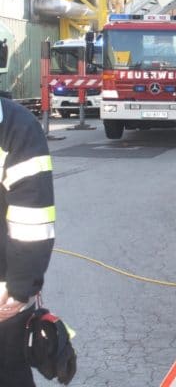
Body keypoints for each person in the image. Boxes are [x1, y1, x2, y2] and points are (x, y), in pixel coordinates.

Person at [0, 98, 56, 386]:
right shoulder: (16, 125)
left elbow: (32, 219)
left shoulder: (14, 126)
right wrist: (21, 288)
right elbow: (32, 218)